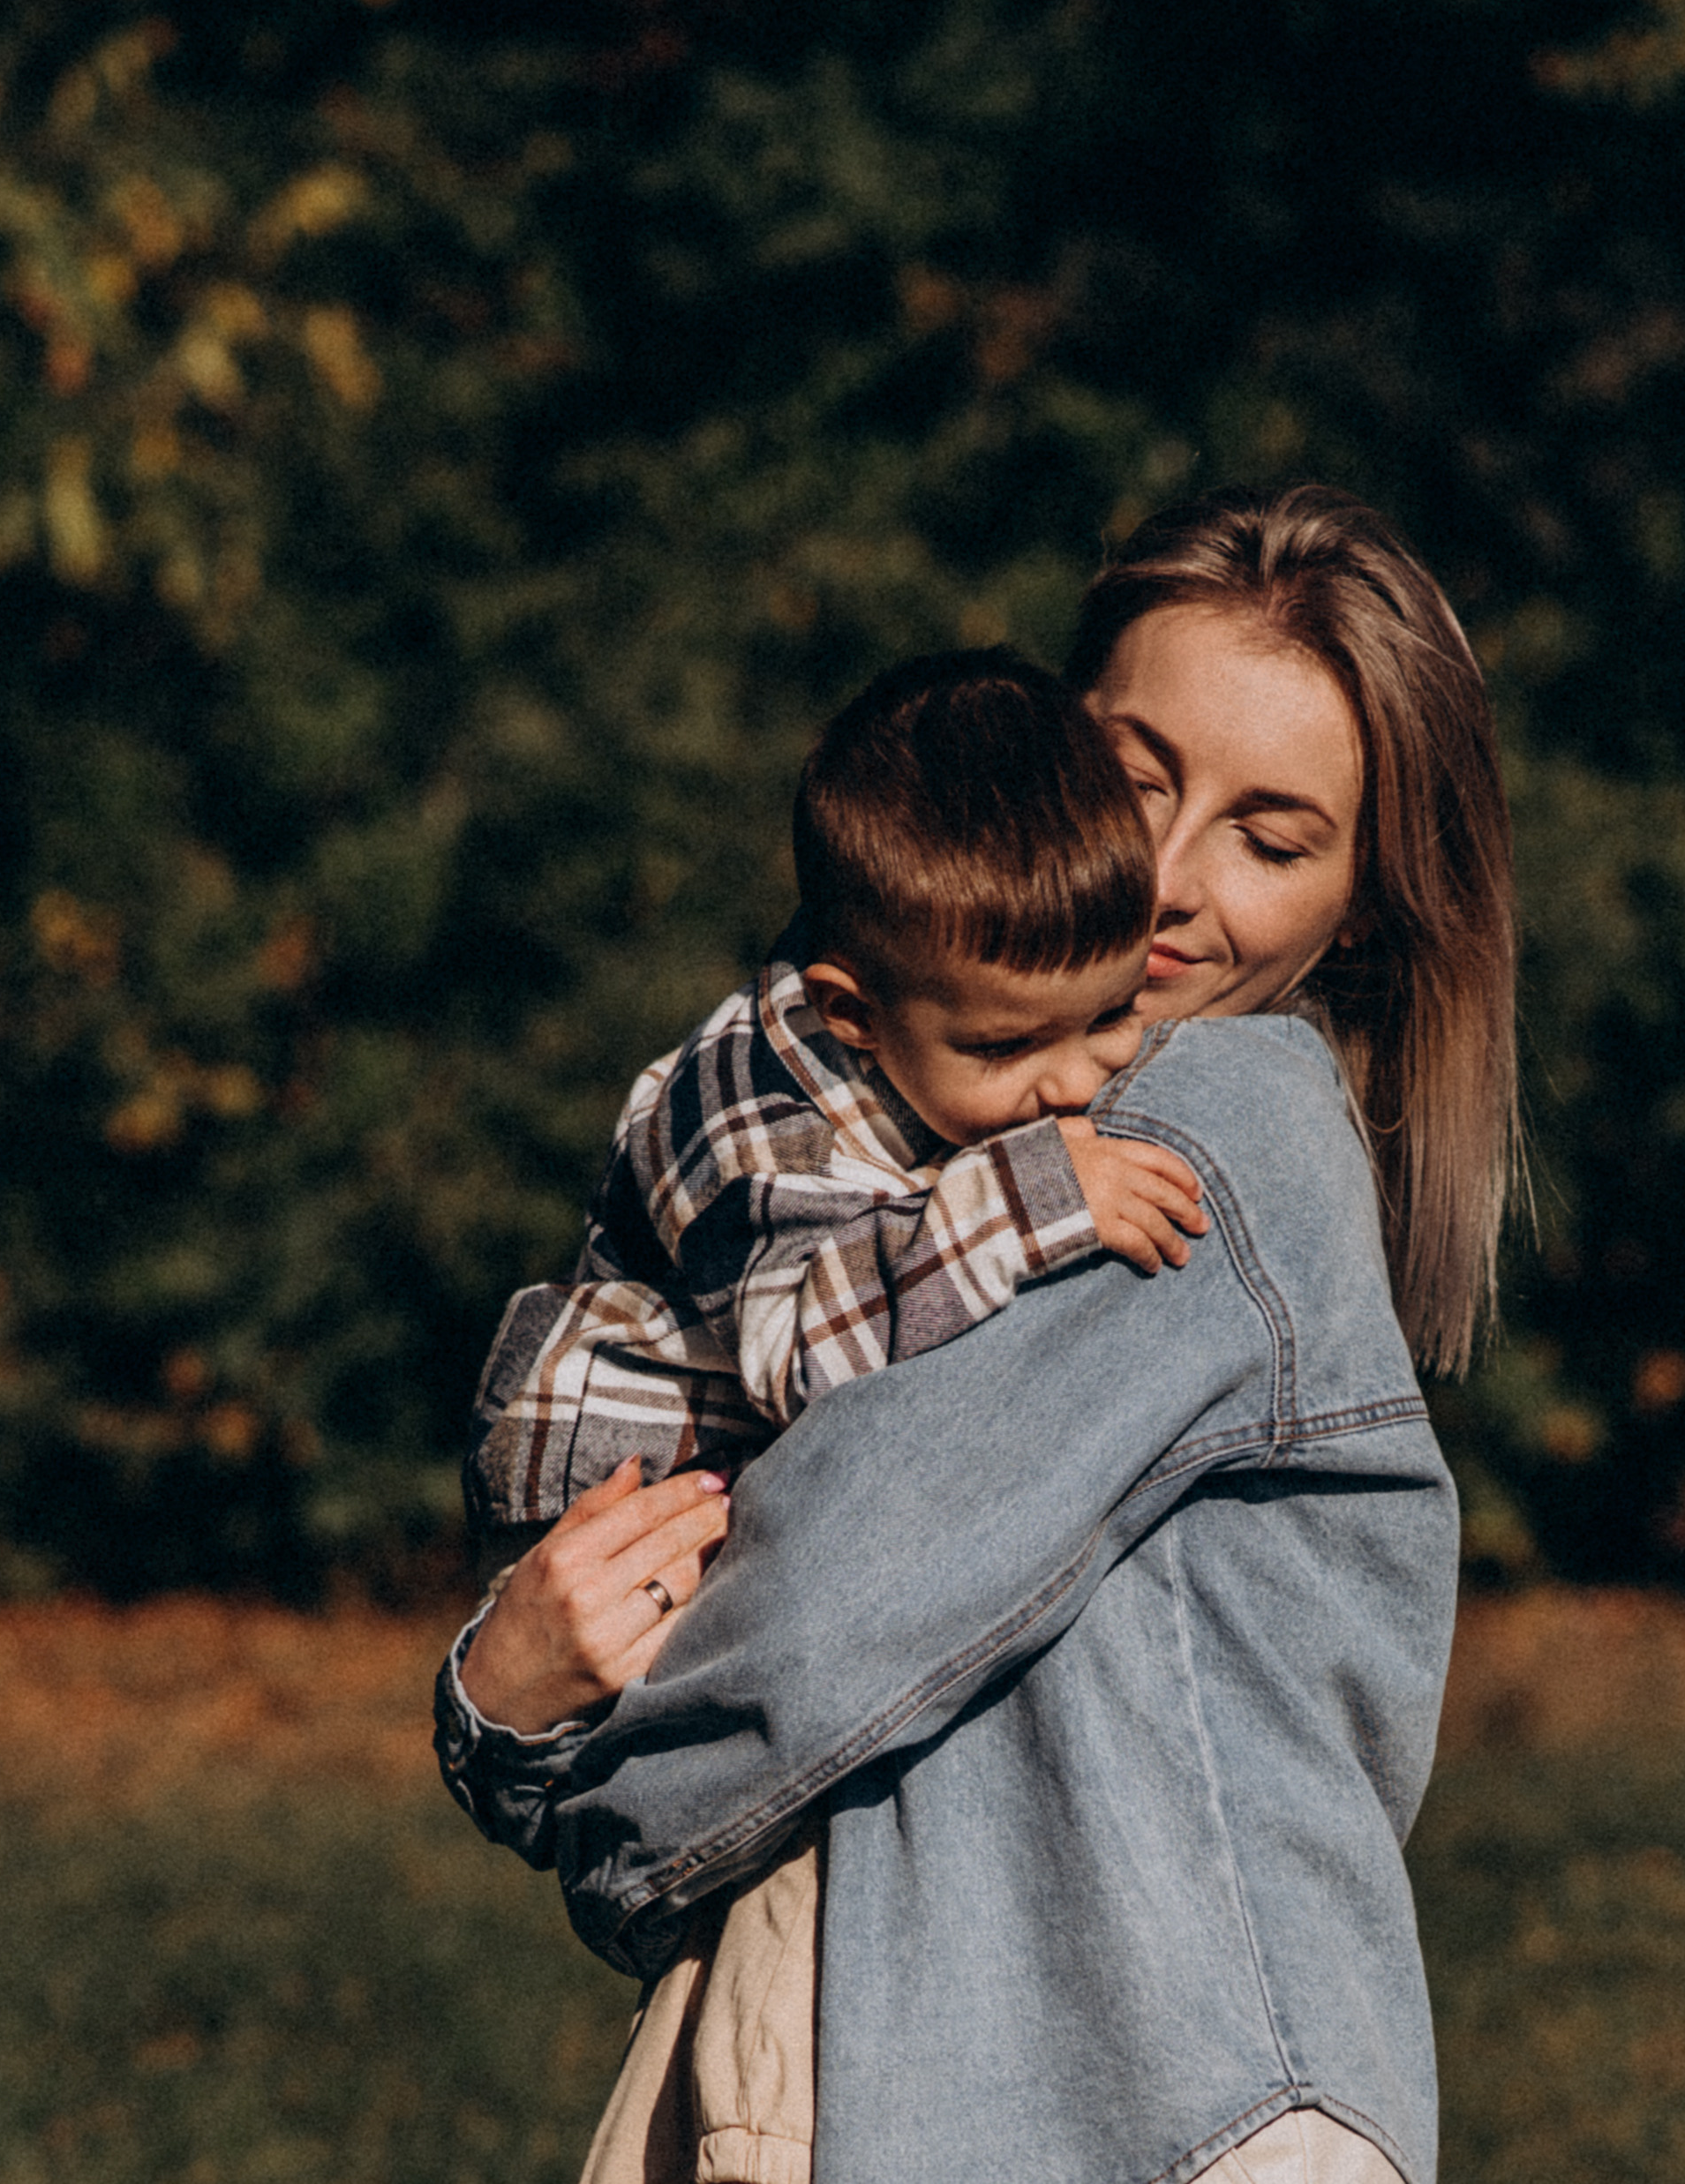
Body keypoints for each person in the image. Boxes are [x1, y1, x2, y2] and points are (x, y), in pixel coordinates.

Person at [436, 485, 1518, 2184]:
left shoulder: (1201, 1128)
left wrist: (527, 1749)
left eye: (1269, 837)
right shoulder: (884, 1112)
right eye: (1136, 779)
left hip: (1159, 2098)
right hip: (984, 2068)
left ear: (1360, 909)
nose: (1166, 881)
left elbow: (830, 1598)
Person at [450, 649, 1208, 2180]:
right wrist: (1027, 1197)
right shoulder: (741, 1108)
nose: (1070, 1086)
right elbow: (801, 1342)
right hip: (634, 1492)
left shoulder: (967, 1034)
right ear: (854, 1013)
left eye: (1109, 1017)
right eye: (1006, 1049)